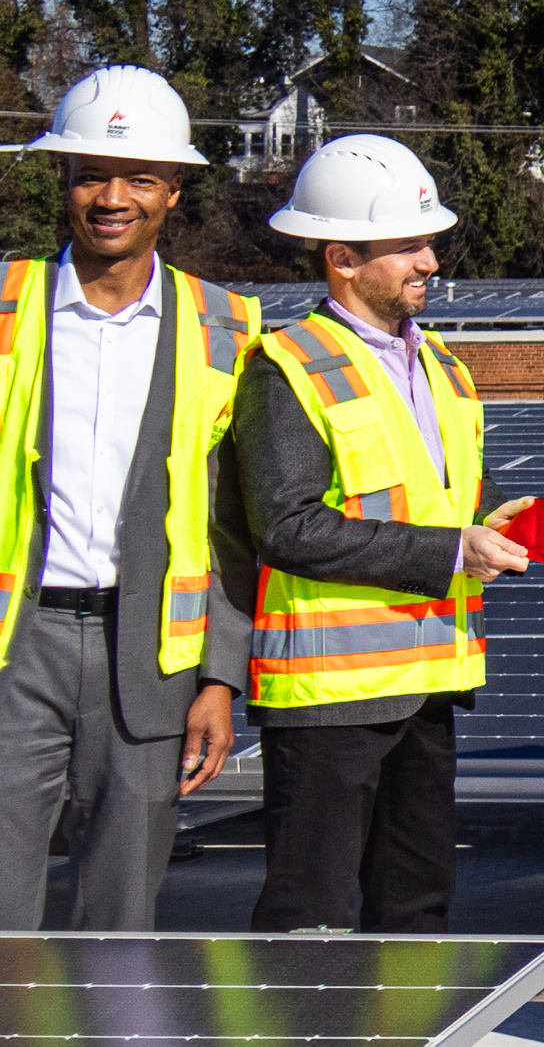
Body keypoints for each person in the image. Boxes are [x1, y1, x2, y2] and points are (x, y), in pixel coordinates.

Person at [238, 134, 524, 933]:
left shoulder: (440, 365)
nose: (430, 261)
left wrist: (507, 516)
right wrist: (449, 552)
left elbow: (450, 491)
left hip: (427, 680)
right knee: (310, 920)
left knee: (417, 910)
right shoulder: (287, 365)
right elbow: (288, 527)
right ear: (342, 257)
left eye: (428, 242)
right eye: (407, 246)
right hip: (330, 698)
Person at [0, 66, 257, 932]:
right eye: (91, 175)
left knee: (118, 921)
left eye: (140, 178)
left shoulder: (227, 328)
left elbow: (230, 524)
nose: (113, 198)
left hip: (150, 657)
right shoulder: (5, 309)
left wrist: (220, 676)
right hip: (13, 649)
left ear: (173, 190)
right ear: (63, 181)